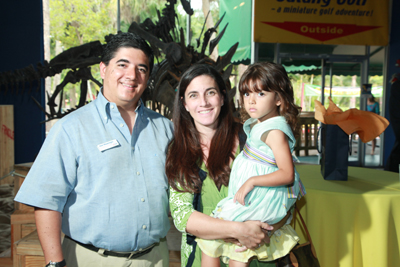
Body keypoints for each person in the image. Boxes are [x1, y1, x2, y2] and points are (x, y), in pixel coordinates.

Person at [14, 32, 173, 267]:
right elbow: (47, 201)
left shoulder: (166, 128)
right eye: (122, 65)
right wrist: (54, 263)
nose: (132, 75)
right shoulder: (70, 129)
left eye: (142, 68)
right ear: (103, 69)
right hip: (90, 259)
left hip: (155, 258)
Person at [166, 63, 291, 267]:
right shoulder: (179, 150)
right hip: (203, 255)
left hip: (256, 251)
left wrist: (261, 230)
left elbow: (287, 194)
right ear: (185, 104)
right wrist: (237, 230)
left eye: (211, 92)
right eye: (193, 95)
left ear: (223, 97)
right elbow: (182, 216)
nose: (204, 102)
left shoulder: (252, 137)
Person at [196, 62, 305, 267]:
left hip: (263, 195)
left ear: (279, 98)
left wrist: (252, 181)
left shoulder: (274, 132)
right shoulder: (261, 124)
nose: (251, 101)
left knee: (216, 234)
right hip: (258, 194)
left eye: (261, 94)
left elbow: (287, 174)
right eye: (246, 94)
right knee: (237, 245)